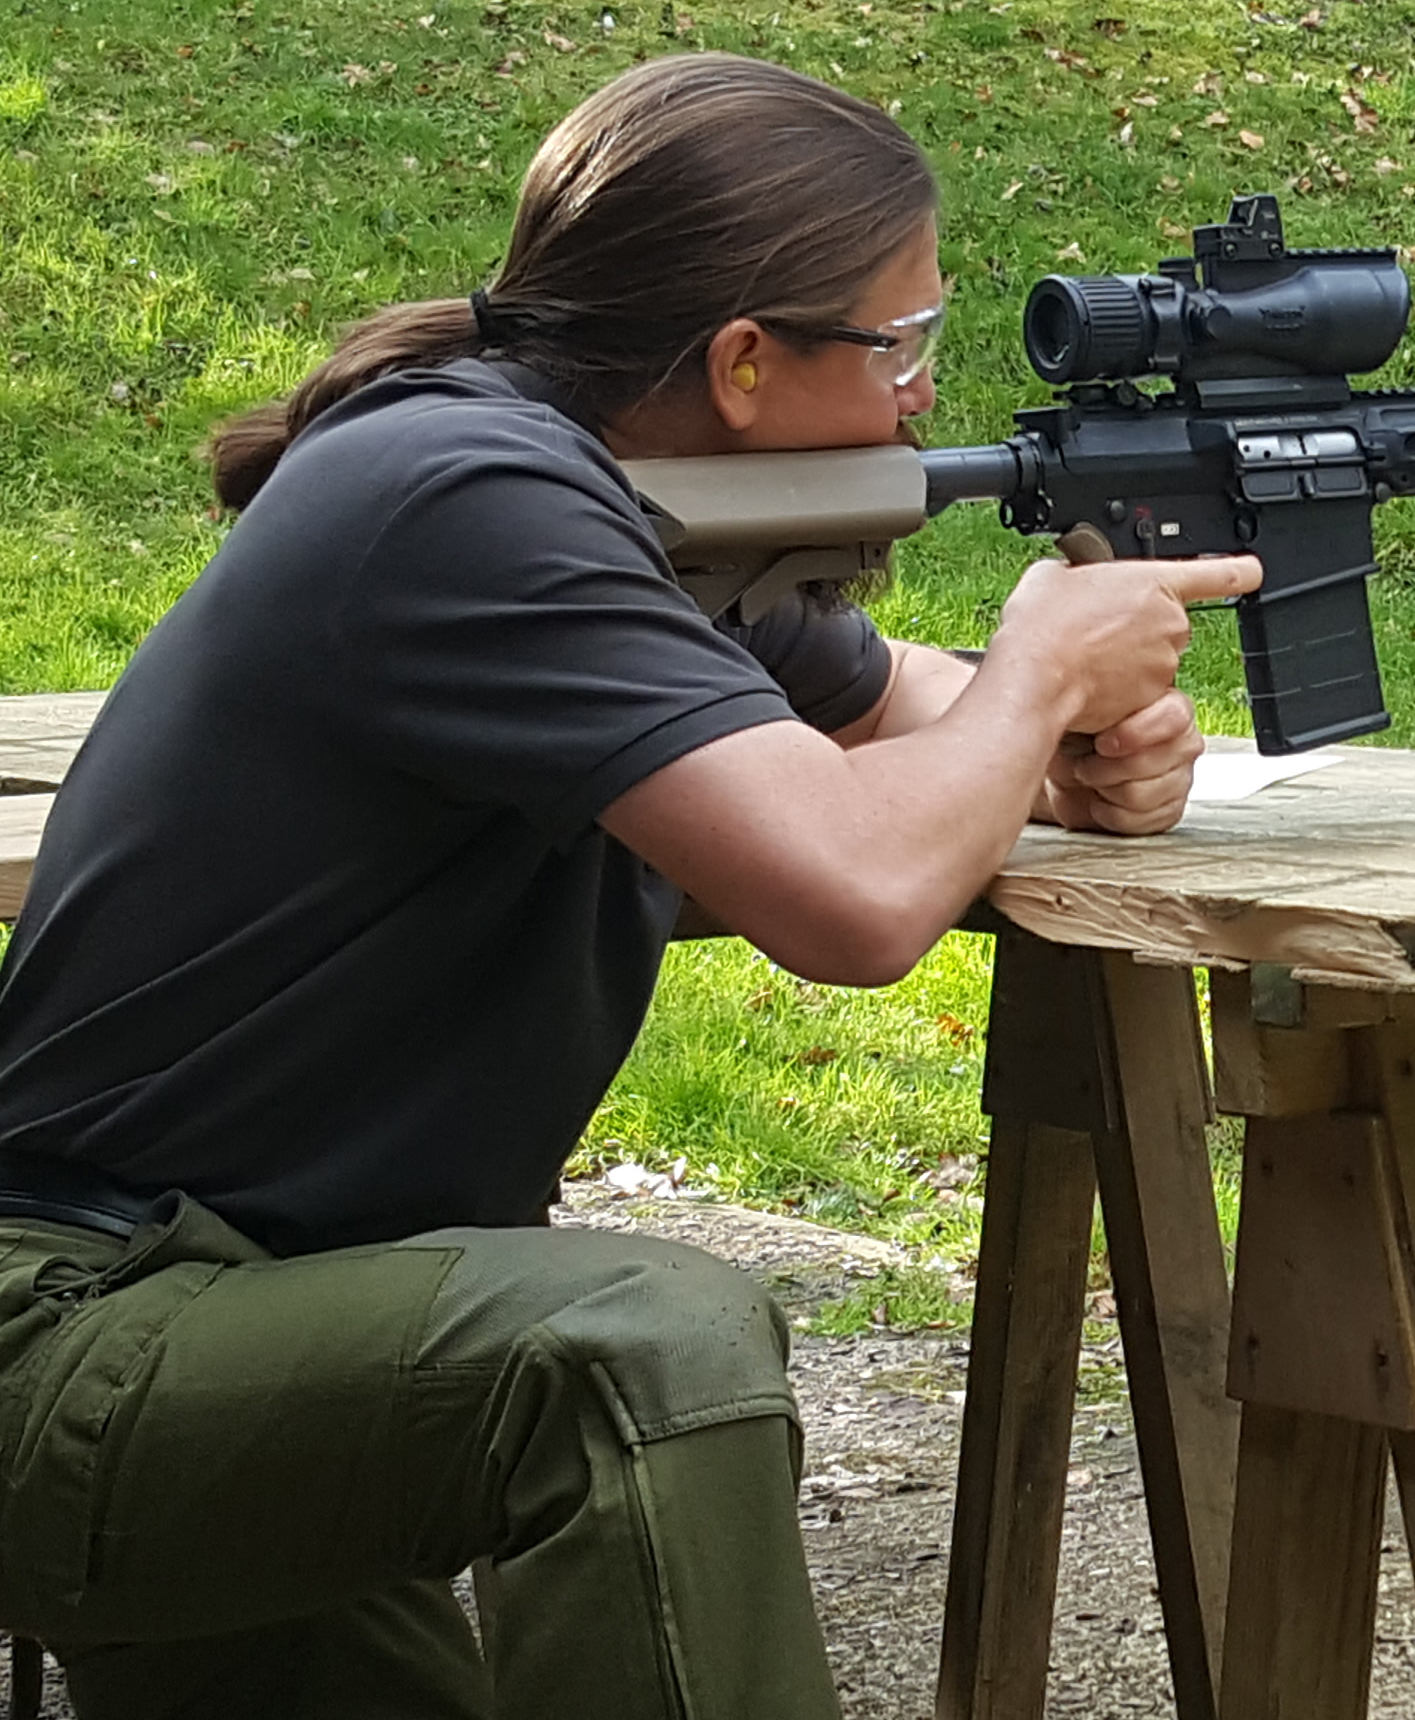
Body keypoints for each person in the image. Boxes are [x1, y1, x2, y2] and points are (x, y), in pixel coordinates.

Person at [0, 51, 1256, 1718]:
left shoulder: (627, 530)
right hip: (82, 1339)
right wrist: (1038, 680)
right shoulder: (468, 498)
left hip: (263, 1323)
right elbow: (859, 898)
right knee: (636, 1353)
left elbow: (903, 707)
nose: (920, 403)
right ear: (742, 362)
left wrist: (1095, 734)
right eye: (902, 348)